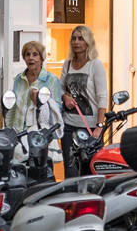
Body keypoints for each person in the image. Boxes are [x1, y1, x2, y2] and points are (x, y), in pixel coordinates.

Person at [61, 25, 108, 166]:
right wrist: (65, 97)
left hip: (90, 128)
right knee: (70, 169)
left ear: (88, 42)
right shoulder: (67, 64)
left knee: (88, 169)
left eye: (81, 38)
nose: (76, 42)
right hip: (68, 126)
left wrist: (99, 127)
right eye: (74, 39)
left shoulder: (95, 65)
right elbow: (60, 89)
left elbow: (102, 97)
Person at [6, 40, 63, 133]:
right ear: (24, 58)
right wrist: (9, 130)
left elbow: (57, 111)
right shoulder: (19, 78)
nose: (30, 58)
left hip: (39, 135)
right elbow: (14, 107)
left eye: (35, 54)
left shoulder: (52, 79)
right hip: (17, 132)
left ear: (42, 58)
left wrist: (38, 102)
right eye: (27, 54)